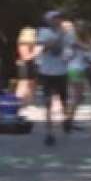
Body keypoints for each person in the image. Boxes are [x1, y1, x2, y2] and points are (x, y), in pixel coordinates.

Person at [37, 11, 71, 146]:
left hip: (61, 71)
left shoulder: (67, 34)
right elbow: (46, 47)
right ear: (48, 20)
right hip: (46, 71)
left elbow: (69, 49)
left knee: (64, 101)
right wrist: (59, 38)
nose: (57, 21)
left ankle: (66, 119)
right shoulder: (43, 32)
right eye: (54, 18)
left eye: (59, 18)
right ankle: (49, 133)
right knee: (47, 103)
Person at [62, 20, 87, 132]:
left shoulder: (76, 37)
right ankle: (68, 120)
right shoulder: (72, 37)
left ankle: (70, 119)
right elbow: (86, 47)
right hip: (74, 68)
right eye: (80, 26)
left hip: (78, 68)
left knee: (77, 96)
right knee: (76, 96)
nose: (82, 29)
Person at [14, 27, 39, 107]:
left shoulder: (33, 44)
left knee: (32, 85)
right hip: (24, 66)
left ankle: (29, 104)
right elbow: (25, 57)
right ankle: (17, 103)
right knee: (23, 85)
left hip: (32, 65)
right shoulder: (23, 44)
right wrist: (36, 52)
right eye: (34, 34)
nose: (35, 36)